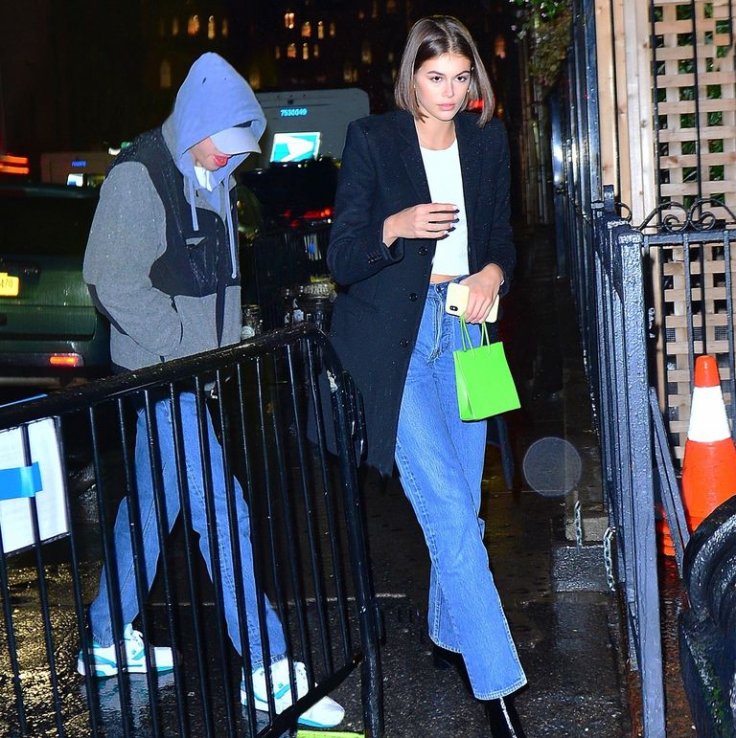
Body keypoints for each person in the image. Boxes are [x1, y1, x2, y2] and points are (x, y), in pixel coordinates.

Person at [80, 52, 344, 730]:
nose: (234, 157)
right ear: (197, 122)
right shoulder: (141, 176)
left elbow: (214, 279)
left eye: (240, 145)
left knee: (151, 509)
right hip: (164, 376)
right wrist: (180, 348)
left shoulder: (212, 176)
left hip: (190, 373)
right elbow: (112, 281)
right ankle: (268, 665)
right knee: (219, 509)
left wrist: (227, 343)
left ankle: (104, 639)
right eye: (226, 141)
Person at [326, 16, 527, 737]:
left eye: (461, 76)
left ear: (475, 78)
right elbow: (341, 255)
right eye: (435, 76)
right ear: (412, 77)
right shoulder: (374, 141)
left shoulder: (485, 141)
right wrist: (396, 225)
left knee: (464, 507)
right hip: (397, 348)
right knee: (447, 510)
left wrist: (495, 272)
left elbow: (503, 233)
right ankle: (501, 691)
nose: (449, 91)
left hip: (471, 337)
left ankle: (449, 632)